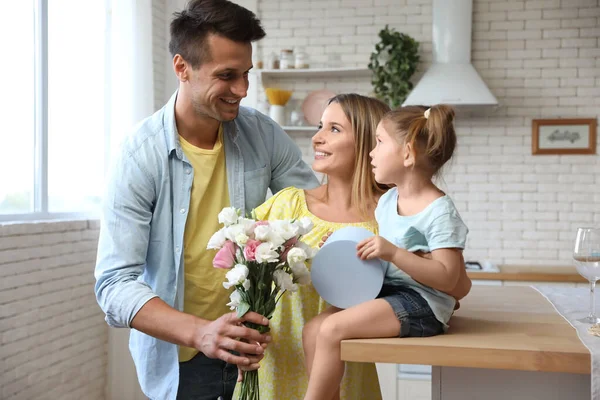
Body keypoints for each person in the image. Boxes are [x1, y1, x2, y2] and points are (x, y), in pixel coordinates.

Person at [93, 0, 319, 399]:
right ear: (183, 68)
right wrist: (201, 332)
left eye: (246, 74)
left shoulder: (263, 136)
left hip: (259, 346)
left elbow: (316, 211)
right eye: (227, 76)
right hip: (183, 360)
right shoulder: (139, 156)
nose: (243, 90)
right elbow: (114, 284)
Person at [302, 104, 471, 400]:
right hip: (390, 291)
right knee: (314, 328)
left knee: (331, 330)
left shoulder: (439, 211)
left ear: (407, 153)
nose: (371, 152)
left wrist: (392, 253)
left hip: (423, 303)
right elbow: (384, 251)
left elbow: (448, 278)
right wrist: (342, 242)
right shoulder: (389, 199)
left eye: (379, 142)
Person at [249, 93, 391, 400]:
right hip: (275, 364)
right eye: (319, 127)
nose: (317, 139)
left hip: (348, 376)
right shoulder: (286, 205)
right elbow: (248, 281)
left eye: (334, 129)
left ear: (369, 142)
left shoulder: (389, 218)